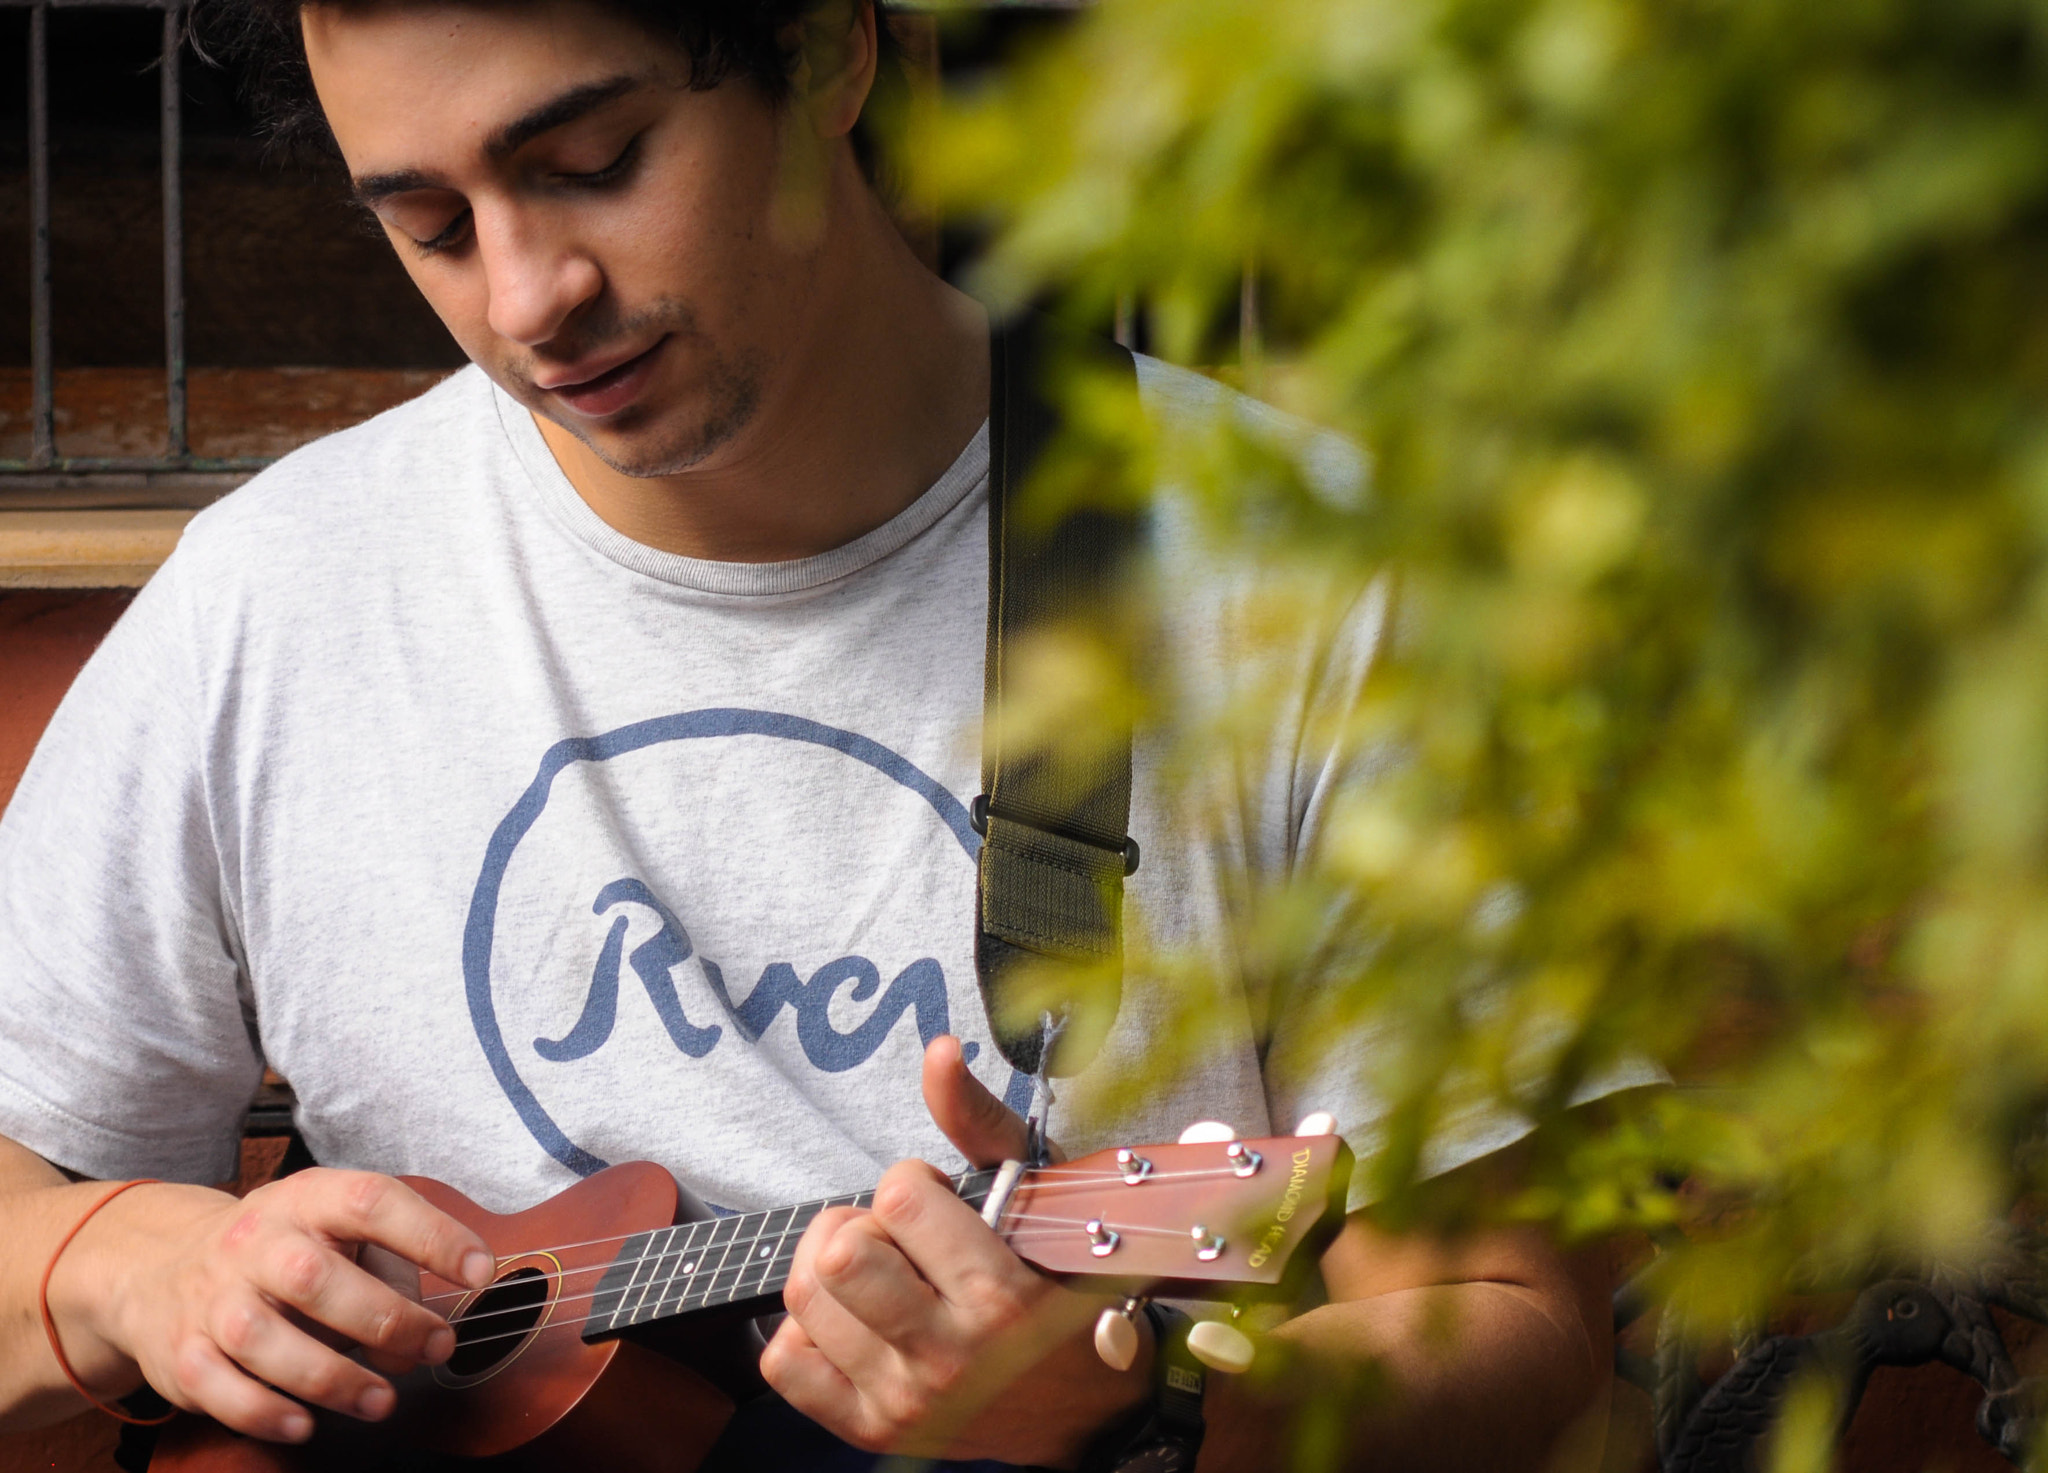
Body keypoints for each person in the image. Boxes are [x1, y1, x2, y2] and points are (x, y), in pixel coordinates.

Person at [0, 1, 1633, 1467]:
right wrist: (124, 1265)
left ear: (830, 52)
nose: (526, 297)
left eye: (592, 159)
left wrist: (1145, 1407)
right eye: (429, 223)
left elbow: (1515, 1328)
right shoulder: (276, 592)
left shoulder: (1324, 584)